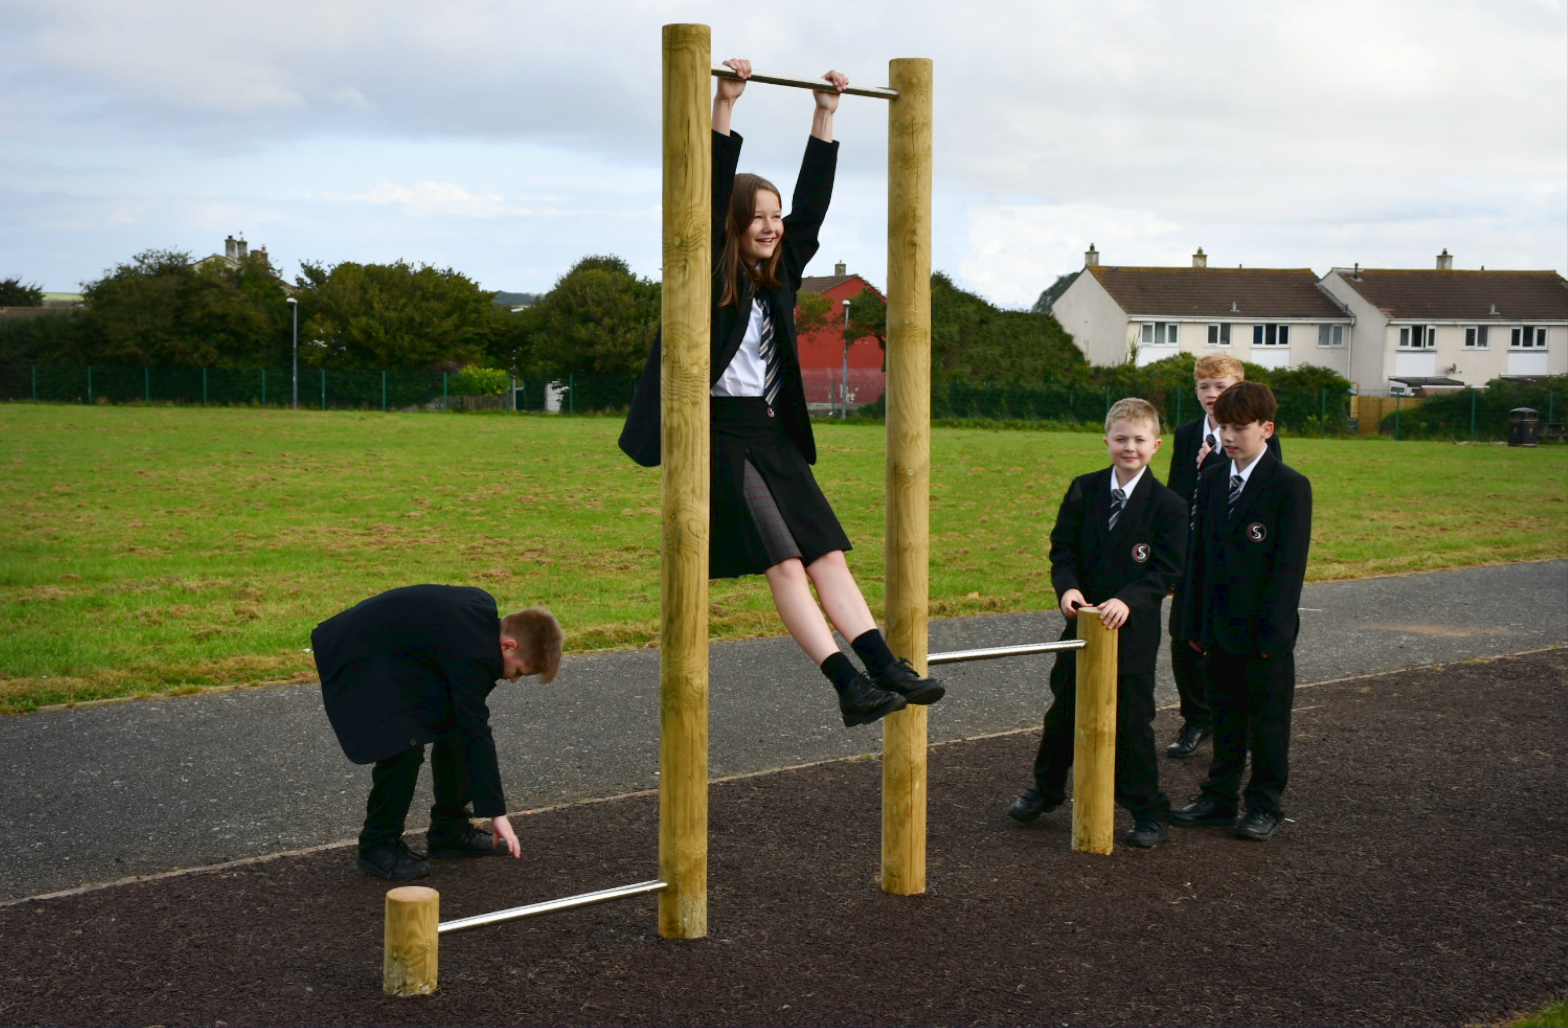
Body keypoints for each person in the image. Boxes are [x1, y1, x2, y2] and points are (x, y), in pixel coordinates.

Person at [619, 59, 944, 728]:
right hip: (716, 432)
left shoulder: (783, 272)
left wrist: (825, 115)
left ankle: (884, 665)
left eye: (774, 216)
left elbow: (813, 207)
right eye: (756, 218)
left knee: (827, 552)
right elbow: (705, 196)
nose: (770, 227)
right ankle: (844, 682)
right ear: (732, 226)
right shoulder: (706, 274)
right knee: (785, 560)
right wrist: (724, 106)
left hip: (769, 429)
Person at [1006, 398, 1187, 848]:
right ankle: (1046, 790)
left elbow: (1166, 571)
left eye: (1139, 440)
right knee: (1063, 714)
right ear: (1106, 440)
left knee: (1131, 725)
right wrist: (1066, 588)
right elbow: (1062, 549)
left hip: (1132, 636)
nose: (1130, 447)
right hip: (1081, 631)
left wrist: (1129, 600)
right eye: (1121, 438)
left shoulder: (1168, 505)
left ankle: (1148, 811)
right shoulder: (1083, 489)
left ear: (1156, 445)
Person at [310, 584, 564, 880]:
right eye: (519, 671)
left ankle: (449, 832)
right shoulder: (476, 653)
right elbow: (477, 732)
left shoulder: (481, 621)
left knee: (454, 728)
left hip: (394, 651)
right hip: (356, 651)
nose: (514, 680)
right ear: (508, 645)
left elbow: (467, 724)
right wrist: (497, 814)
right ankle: (377, 847)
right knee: (403, 745)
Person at [1170, 381, 1311, 841]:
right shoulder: (1211, 478)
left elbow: (1288, 569)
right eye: (1223, 427)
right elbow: (1198, 558)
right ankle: (1218, 798)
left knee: (1268, 722)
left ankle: (1264, 805)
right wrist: (1191, 621)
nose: (1228, 437)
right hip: (1217, 629)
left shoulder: (1289, 486)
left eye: (1240, 428)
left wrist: (1274, 637)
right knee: (1226, 716)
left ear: (1266, 429)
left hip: (1263, 635)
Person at [1162, 353, 1282, 759]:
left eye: (1221, 386)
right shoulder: (1185, 433)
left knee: (1231, 644)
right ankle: (1198, 719)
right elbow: (1176, 491)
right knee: (1184, 637)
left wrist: (1216, 462)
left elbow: (1263, 493)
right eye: (1204, 387)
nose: (1212, 394)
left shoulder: (1257, 435)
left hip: (1235, 558)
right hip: (1191, 552)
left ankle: (1238, 729)